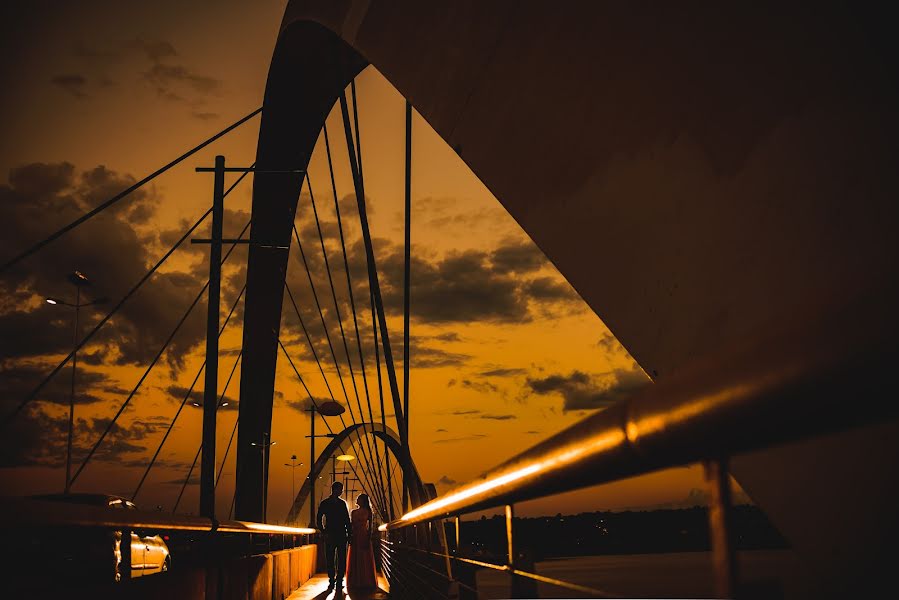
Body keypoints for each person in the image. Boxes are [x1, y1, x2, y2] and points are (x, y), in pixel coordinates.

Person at [317, 481, 351, 590]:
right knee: (331, 558)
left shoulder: (334, 503)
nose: (341, 491)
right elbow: (319, 518)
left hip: (338, 534)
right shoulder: (329, 503)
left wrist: (349, 534)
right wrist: (323, 531)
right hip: (332, 534)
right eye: (340, 489)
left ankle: (339, 579)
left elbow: (347, 520)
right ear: (335, 489)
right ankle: (332, 579)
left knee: (340, 558)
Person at [346, 493, 377, 589]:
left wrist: (369, 538)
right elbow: (351, 526)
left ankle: (364, 580)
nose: (357, 500)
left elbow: (371, 527)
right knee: (357, 556)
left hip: (363, 535)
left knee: (363, 556)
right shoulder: (353, 512)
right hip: (355, 536)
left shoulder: (368, 512)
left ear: (363, 501)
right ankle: (356, 580)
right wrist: (350, 536)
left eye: (359, 499)